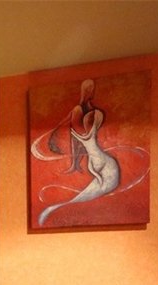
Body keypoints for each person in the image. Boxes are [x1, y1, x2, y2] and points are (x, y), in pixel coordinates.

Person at [32, 79, 120, 226]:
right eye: (88, 90)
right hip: (96, 156)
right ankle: (75, 167)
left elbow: (92, 163)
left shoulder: (90, 114)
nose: (90, 93)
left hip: (100, 159)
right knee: (91, 186)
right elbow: (74, 132)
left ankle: (76, 168)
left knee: (95, 186)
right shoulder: (78, 111)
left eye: (91, 90)